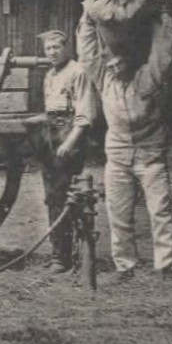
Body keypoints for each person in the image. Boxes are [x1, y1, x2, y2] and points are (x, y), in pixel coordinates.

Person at [76, 0, 172, 280]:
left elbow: (164, 51)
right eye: (110, 64)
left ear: (130, 63)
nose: (114, 68)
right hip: (118, 156)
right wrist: (87, 17)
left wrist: (163, 14)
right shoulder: (104, 79)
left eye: (120, 63)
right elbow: (87, 54)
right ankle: (125, 266)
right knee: (118, 213)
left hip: (150, 156)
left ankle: (167, 265)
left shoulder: (148, 77)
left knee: (160, 210)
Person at [34, 28, 100, 272]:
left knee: (62, 195)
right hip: (50, 134)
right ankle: (59, 253)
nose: (52, 52)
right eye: (48, 48)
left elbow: (85, 114)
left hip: (68, 134)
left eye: (56, 47)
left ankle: (62, 258)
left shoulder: (78, 71)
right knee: (52, 196)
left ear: (66, 48)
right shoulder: (50, 74)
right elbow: (50, 109)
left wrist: (69, 142)